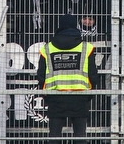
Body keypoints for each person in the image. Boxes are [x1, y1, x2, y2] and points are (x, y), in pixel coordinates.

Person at [37, 13, 99, 142]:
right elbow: (93, 74)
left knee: (54, 136)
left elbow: (41, 75)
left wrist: (46, 95)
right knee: (80, 136)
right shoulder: (86, 48)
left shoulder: (47, 48)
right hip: (80, 97)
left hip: (55, 97)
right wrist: (89, 94)